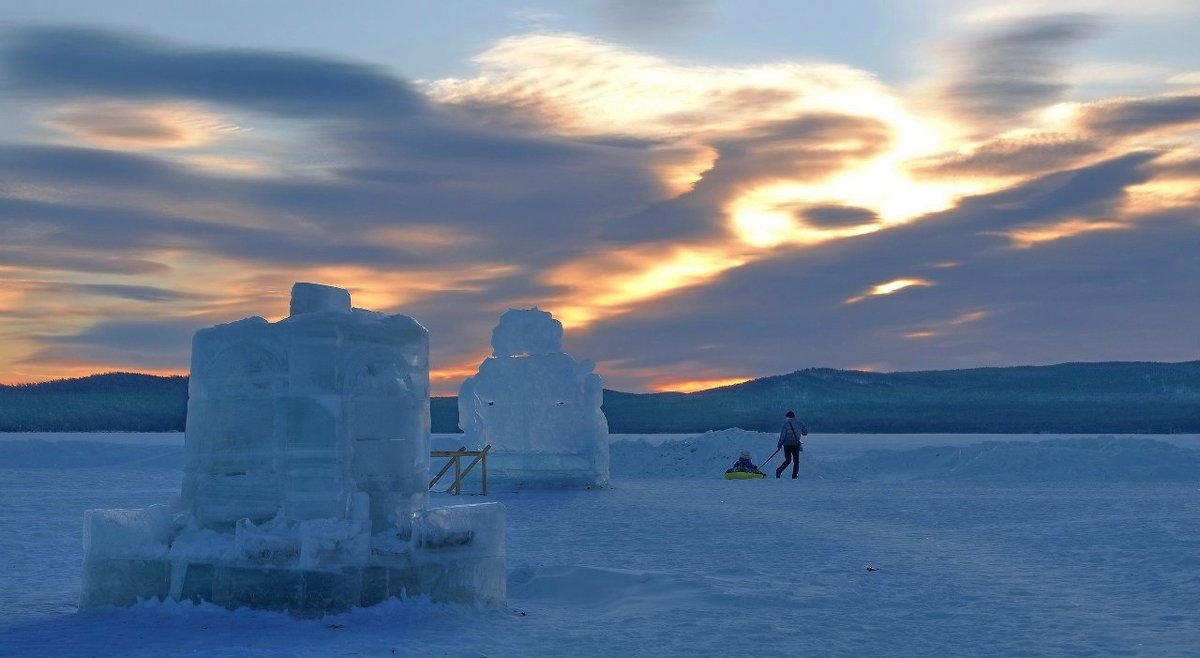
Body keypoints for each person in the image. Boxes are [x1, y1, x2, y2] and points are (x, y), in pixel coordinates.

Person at [775, 410, 806, 479]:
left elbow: (782, 436)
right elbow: (805, 433)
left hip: (787, 445)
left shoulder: (785, 425)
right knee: (796, 461)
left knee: (788, 460)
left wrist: (779, 445)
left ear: (788, 417)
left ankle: (779, 470)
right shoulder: (800, 423)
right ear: (794, 416)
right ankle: (794, 476)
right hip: (795, 444)